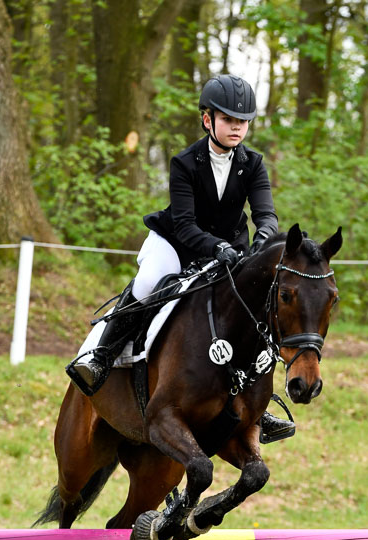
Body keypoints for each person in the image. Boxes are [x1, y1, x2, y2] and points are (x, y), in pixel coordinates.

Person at [67, 74, 295, 443]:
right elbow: (186, 225)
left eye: (243, 121)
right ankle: (101, 356)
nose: (237, 127)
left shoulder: (253, 164)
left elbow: (265, 214)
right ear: (208, 120)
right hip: (177, 242)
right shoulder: (185, 162)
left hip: (230, 249)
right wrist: (217, 248)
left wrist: (265, 236)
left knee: (250, 306)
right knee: (145, 286)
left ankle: (257, 404)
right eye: (228, 120)